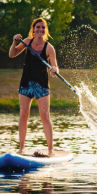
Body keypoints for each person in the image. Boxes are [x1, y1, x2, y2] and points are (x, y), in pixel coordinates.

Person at [9, 18, 60, 157]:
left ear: (45, 30)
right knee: (23, 114)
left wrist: (55, 69)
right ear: (33, 29)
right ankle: (21, 148)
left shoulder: (49, 48)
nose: (40, 30)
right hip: (26, 83)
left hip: (42, 85)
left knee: (45, 116)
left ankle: (50, 150)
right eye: (38, 27)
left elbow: (55, 66)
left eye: (43, 27)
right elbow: (12, 54)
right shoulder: (27, 42)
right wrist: (14, 42)